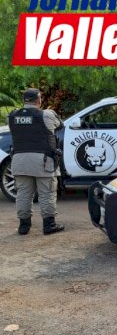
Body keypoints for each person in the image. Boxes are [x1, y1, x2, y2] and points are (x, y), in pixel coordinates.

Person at [8, 88, 64, 235]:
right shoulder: (47, 114)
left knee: (23, 194)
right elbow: (60, 126)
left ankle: (24, 226)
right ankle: (49, 225)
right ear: (39, 100)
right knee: (47, 193)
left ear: (24, 101)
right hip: (42, 161)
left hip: (19, 160)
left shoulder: (13, 115)